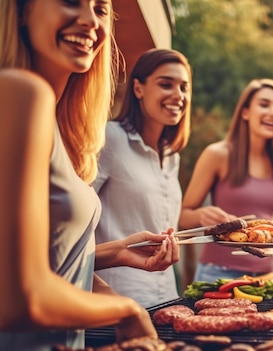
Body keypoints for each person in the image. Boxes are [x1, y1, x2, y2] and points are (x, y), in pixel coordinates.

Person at [0, 1, 180, 350]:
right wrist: (126, 309)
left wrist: (116, 252)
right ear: (21, 10)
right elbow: (20, 299)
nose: (88, 21)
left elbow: (45, 260)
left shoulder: (55, 122)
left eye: (100, 8)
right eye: (70, 1)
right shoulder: (22, 93)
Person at [93, 48, 191, 308]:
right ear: (138, 89)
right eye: (165, 84)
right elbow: (72, 226)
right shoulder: (110, 139)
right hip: (117, 301)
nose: (178, 95)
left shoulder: (172, 156)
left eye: (184, 87)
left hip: (167, 300)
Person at [179, 78, 273, 282]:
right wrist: (201, 215)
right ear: (245, 112)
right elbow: (181, 217)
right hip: (218, 275)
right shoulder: (217, 154)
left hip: (266, 278)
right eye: (264, 104)